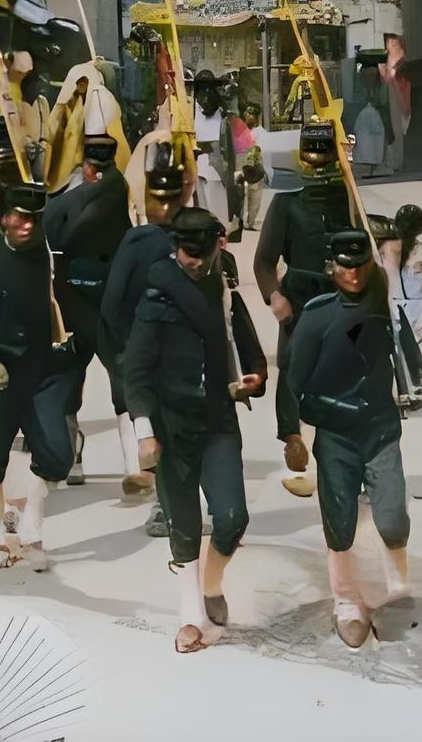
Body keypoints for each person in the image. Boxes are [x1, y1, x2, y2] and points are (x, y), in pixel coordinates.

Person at [123, 207, 266, 654]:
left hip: (219, 418)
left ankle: (212, 582)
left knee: (232, 518)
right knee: (184, 526)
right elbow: (136, 372)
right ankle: (190, 617)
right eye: (187, 254)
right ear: (175, 248)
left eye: (201, 254)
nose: (194, 262)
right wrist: (145, 431)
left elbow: (246, 341)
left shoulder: (223, 285)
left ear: (215, 246)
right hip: (171, 425)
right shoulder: (155, 294)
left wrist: (256, 375)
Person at [289, 227, 422, 649]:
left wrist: (416, 386)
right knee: (340, 524)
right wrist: (290, 433)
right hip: (335, 435)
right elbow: (292, 382)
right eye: (345, 265)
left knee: (391, 518)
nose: (353, 272)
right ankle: (346, 601)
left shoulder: (385, 309)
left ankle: (398, 586)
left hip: (381, 429)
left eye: (360, 263)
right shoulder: (316, 316)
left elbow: (413, 360)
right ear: (332, 268)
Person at [0, 154, 74, 570]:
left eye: (33, 219)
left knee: (57, 453)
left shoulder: (40, 252)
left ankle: (33, 522)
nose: (27, 225)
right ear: (3, 217)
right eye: (19, 217)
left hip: (39, 369)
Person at [254, 119, 355, 495]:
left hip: (341, 295)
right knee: (294, 368)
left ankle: (340, 454)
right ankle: (292, 437)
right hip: (299, 296)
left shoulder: (348, 197)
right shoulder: (286, 203)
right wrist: (274, 297)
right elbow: (264, 262)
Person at [99, 143, 186, 510]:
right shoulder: (185, 237)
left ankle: (160, 497)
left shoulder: (142, 242)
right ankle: (152, 487)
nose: (164, 206)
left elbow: (111, 302)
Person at [43, 132, 132, 485]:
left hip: (75, 303)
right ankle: (132, 465)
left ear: (86, 168)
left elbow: (49, 242)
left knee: (69, 382)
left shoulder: (61, 205)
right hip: (108, 305)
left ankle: (71, 458)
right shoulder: (122, 194)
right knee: (122, 385)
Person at [377, 204, 422, 345]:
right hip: (415, 310)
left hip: (390, 306)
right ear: (420, 228)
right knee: (412, 348)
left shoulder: (383, 247)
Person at [192, 70, 240, 238]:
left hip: (211, 165)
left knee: (212, 210)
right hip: (206, 165)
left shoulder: (220, 111)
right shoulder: (198, 109)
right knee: (208, 211)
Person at [232, 103, 269, 231]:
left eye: (252, 113)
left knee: (255, 196)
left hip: (255, 168)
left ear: (258, 116)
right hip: (241, 165)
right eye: (248, 113)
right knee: (239, 194)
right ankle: (240, 220)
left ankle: (250, 222)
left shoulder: (261, 133)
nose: (249, 116)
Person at [378, 34, 410, 173]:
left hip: (397, 98)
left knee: (396, 131)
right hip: (391, 98)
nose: (387, 45)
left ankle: (397, 161)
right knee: (392, 130)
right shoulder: (392, 60)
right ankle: (394, 161)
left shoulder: (400, 61)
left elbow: (399, 81)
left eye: (390, 42)